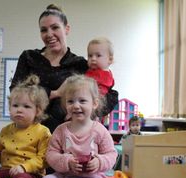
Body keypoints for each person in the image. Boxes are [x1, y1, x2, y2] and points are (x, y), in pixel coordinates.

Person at [10, 4, 118, 134]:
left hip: (68, 135)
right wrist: (56, 93)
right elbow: (15, 92)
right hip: (30, 133)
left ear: (66, 29)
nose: (49, 34)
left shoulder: (80, 64)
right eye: (44, 30)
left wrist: (85, 112)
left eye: (55, 27)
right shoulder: (29, 58)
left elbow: (110, 95)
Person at [36, 75, 117, 178]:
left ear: (94, 103)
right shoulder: (61, 130)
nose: (76, 105)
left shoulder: (100, 130)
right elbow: (51, 154)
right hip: (64, 176)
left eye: (82, 101)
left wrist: (99, 162)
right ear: (65, 105)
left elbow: (111, 154)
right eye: (70, 101)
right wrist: (66, 161)